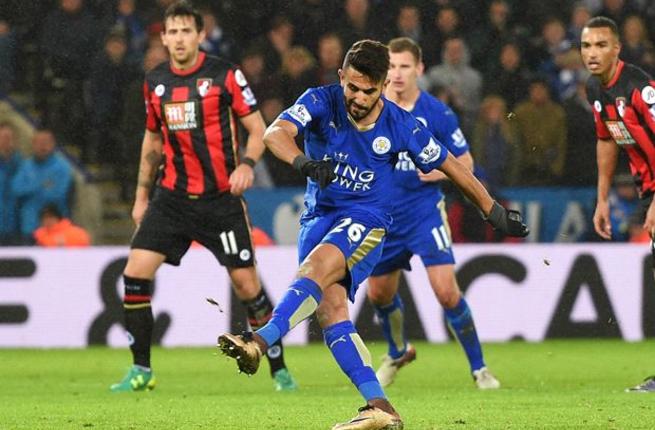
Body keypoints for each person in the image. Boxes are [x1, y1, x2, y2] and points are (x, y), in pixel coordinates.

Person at [217, 39, 528, 429]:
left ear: (383, 87)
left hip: (366, 219)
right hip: (318, 218)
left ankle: (258, 342)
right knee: (332, 315)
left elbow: (452, 165)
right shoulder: (321, 100)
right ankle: (381, 408)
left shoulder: (401, 123)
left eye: (369, 90)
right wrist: (305, 163)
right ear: (341, 77)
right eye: (353, 87)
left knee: (314, 269)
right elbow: (274, 134)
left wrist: (492, 210)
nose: (359, 98)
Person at [110, 1, 297, 393]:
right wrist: (142, 194)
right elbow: (153, 139)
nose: (178, 38)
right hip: (172, 198)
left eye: (185, 31)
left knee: (248, 287)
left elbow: (257, 125)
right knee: (134, 274)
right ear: (163, 38)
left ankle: (278, 367)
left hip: (220, 200)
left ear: (199, 35)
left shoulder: (224, 75)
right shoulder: (155, 82)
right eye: (172, 32)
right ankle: (141, 369)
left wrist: (246, 163)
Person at [365, 36, 501, 390]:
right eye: (391, 66)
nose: (396, 74)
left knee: (446, 292)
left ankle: (480, 369)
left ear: (420, 69)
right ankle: (397, 351)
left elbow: (466, 161)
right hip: (381, 217)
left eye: (404, 66)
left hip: (423, 212)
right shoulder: (369, 110)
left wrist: (440, 171)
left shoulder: (437, 113)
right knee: (378, 294)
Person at [581, 16, 655, 392]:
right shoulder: (597, 89)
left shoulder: (640, 88)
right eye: (586, 46)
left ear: (617, 49)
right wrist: (602, 199)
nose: (592, 53)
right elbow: (607, 140)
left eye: (600, 45)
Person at [11, 128, 74, 243]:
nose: (42, 146)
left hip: (55, 230)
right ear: (33, 144)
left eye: (46, 142)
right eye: (39, 142)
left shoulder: (62, 167)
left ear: (53, 144)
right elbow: (16, 189)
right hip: (29, 228)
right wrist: (41, 185)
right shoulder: (26, 166)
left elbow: (57, 194)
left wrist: (29, 190)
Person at [0, 122, 23, 245]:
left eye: (9, 137)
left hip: (16, 227)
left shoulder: (23, 166)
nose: (5, 141)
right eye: (3, 137)